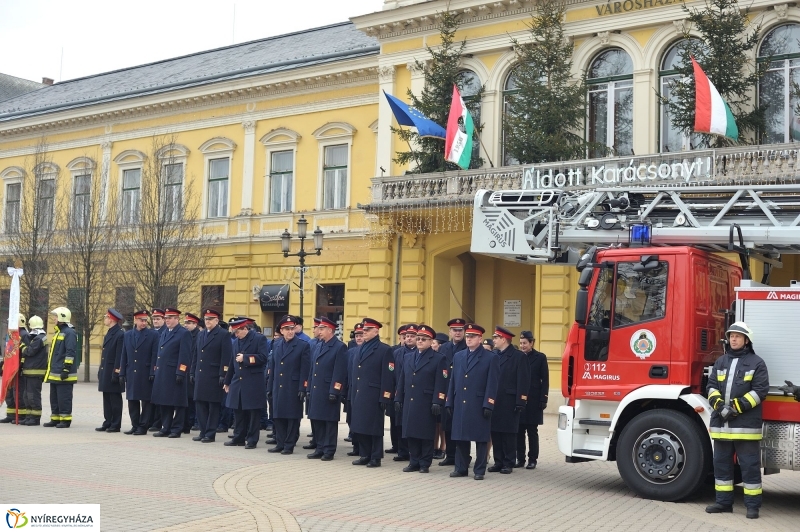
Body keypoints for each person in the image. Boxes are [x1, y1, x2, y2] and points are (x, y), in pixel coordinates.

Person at [705, 322, 769, 519]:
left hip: (745, 426)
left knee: (749, 466)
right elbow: (711, 386)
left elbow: (760, 391)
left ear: (746, 340)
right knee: (721, 466)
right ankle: (724, 503)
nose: (734, 339)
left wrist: (735, 408)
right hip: (722, 425)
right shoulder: (721, 361)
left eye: (738, 336)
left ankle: (752, 506)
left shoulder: (757, 363)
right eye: (731, 336)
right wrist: (719, 406)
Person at [445, 324, 500, 480]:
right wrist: (449, 401)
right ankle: (461, 468)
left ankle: (479, 469)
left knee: (481, 438)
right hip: (461, 402)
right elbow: (453, 381)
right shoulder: (459, 356)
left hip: (478, 403)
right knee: (460, 437)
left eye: (472, 336)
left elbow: (492, 383)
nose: (468, 339)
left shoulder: (491, 357)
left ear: (480, 338)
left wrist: (489, 403)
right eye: (467, 336)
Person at [395, 325, 448, 473]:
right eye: (418, 339)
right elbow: (402, 378)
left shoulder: (438, 358)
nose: (419, 341)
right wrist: (398, 397)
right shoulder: (408, 357)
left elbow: (441, 381)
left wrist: (438, 400)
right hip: (410, 400)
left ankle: (425, 462)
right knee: (410, 433)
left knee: (425, 434)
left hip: (426, 401)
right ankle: (414, 461)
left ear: (431, 341)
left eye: (423, 339)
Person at [349, 318, 395, 468]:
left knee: (374, 427)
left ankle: (375, 457)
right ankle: (364, 454)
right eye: (363, 330)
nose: (364, 333)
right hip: (359, 392)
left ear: (376, 331)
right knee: (360, 426)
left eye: (368, 330)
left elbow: (388, 376)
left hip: (374, 394)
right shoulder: (359, 348)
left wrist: (385, 396)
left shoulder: (384, 349)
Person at [306, 316, 349, 461]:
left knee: (329, 422)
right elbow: (312, 368)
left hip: (328, 389)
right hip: (316, 388)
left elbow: (339, 371)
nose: (319, 330)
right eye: (319, 328)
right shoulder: (319, 344)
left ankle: (329, 450)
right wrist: (309, 388)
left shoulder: (339, 346)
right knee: (317, 420)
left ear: (330, 330)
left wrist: (335, 390)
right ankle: (319, 447)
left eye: (322, 328)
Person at [266, 315, 310, 454]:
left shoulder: (303, 345)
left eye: (292, 328)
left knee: (292, 417)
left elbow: (305, 369)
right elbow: (273, 368)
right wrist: (269, 387)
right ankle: (280, 442)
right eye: (287, 329)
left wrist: (303, 387)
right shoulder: (277, 344)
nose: (290, 331)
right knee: (278, 416)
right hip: (278, 386)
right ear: (282, 330)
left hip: (293, 387)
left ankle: (289, 444)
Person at [488, 326, 529, 474]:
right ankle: (498, 461)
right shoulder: (493, 355)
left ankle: (509, 462)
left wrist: (521, 401)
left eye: (496, 338)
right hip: (495, 400)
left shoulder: (518, 356)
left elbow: (523, 381)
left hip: (510, 400)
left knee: (509, 433)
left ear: (504, 339)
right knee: (496, 432)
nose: (494, 340)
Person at [223, 318, 269, 449]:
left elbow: (263, 357)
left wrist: (246, 358)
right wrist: (227, 381)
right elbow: (232, 362)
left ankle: (252, 440)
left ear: (245, 329)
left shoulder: (259, 339)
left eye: (237, 332)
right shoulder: (236, 342)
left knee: (253, 413)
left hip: (253, 381)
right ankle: (238, 437)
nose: (236, 335)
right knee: (238, 411)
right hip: (238, 381)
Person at [191, 309, 232, 443]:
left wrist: (223, 374)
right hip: (201, 374)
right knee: (200, 404)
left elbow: (226, 356)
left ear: (216, 321)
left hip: (214, 375)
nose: (207, 322)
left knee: (213, 406)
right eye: (206, 319)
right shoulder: (201, 334)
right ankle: (203, 431)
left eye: (210, 319)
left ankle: (210, 433)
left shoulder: (223, 334)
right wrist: (192, 371)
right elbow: (196, 355)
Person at [151, 308, 192, 438]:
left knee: (178, 402)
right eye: (166, 318)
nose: (167, 320)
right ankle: (166, 427)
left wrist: (181, 371)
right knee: (164, 401)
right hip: (163, 372)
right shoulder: (164, 333)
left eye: (170, 318)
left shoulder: (183, 333)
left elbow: (185, 354)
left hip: (175, 373)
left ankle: (176, 428)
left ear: (176, 319)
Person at [119, 310, 159, 435]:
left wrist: (153, 371)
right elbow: (124, 354)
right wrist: (122, 372)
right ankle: (134, 425)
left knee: (146, 401)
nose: (144, 323)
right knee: (132, 400)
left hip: (145, 372)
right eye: (141, 320)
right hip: (131, 371)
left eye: (145, 320)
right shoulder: (128, 335)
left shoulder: (152, 335)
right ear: (136, 320)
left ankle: (143, 426)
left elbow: (154, 355)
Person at [517, 330, 548, 469]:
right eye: (521, 343)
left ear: (531, 343)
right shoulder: (518, 357)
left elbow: (545, 380)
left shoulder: (540, 357)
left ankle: (532, 459)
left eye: (525, 343)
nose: (522, 345)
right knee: (519, 430)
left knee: (532, 431)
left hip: (534, 399)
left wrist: (543, 398)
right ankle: (520, 458)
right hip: (519, 399)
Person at [437, 318, 466, 466]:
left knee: (460, 425)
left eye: (460, 330)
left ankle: (462, 457)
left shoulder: (468, 346)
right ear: (450, 332)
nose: (457, 332)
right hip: (446, 390)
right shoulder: (444, 348)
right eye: (455, 330)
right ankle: (450, 455)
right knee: (447, 424)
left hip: (461, 391)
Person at [43, 307, 78, 428]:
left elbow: (70, 352)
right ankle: (55, 418)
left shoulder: (70, 333)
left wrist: (66, 368)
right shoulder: (58, 332)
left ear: (62, 318)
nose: (54, 319)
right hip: (55, 372)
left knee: (64, 397)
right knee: (54, 397)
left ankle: (65, 419)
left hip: (64, 372)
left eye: (56, 316)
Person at [389, 324, 417, 461]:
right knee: (399, 423)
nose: (409, 339)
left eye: (412, 336)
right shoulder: (397, 353)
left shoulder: (419, 352)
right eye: (407, 336)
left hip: (413, 393)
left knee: (411, 422)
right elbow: (392, 373)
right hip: (399, 392)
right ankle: (402, 451)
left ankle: (413, 451)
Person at [96, 308, 126, 433]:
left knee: (115, 399)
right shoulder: (110, 332)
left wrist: (117, 371)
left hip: (113, 370)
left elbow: (119, 355)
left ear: (112, 319)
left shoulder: (120, 334)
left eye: (106, 317)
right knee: (106, 398)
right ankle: (107, 421)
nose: (105, 320)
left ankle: (115, 423)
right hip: (106, 370)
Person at [1, 314, 30, 423]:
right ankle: (11, 414)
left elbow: (26, 353)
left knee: (18, 393)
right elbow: (8, 352)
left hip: (19, 369)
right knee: (10, 393)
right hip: (10, 368)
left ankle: (21, 415)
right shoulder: (11, 335)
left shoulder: (24, 335)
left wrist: (21, 365)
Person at [20, 316, 47, 426]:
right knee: (27, 396)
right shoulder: (37, 337)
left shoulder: (39, 338)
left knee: (33, 396)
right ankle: (29, 416)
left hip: (35, 372)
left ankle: (35, 418)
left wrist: (23, 347)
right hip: (30, 371)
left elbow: (30, 351)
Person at [344, 323, 364, 457]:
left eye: (361, 335)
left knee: (361, 421)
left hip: (363, 393)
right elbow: (346, 372)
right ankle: (355, 446)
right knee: (351, 420)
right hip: (351, 391)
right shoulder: (350, 352)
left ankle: (362, 448)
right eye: (357, 335)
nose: (359, 338)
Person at [182, 312, 202, 433]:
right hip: (186, 370)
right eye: (185, 323)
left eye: (189, 323)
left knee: (194, 399)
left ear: (195, 324)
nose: (186, 325)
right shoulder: (186, 335)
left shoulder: (198, 335)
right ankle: (186, 423)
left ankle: (194, 421)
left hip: (194, 370)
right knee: (187, 398)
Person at [148, 308, 166, 433]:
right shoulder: (149, 332)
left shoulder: (166, 332)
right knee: (150, 397)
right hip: (150, 368)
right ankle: (151, 420)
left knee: (160, 397)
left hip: (161, 368)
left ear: (163, 320)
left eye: (158, 319)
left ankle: (158, 422)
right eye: (154, 319)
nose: (155, 321)